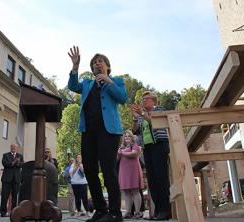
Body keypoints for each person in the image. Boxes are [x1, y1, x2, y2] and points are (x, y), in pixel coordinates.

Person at [68, 46, 128, 222]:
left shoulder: (116, 80)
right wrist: (75, 66)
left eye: (100, 61)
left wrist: (108, 81)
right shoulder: (87, 83)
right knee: (91, 171)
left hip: (108, 131)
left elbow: (123, 98)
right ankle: (101, 210)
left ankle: (115, 212)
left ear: (107, 66)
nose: (97, 64)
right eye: (94, 62)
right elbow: (72, 85)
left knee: (108, 170)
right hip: (88, 131)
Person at [131, 91, 170, 220]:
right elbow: (135, 131)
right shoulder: (142, 115)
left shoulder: (159, 109)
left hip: (159, 145)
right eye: (142, 100)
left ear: (154, 100)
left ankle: (165, 210)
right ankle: (158, 212)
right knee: (152, 181)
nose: (143, 101)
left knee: (161, 178)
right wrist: (135, 118)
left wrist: (142, 113)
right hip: (147, 148)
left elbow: (156, 122)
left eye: (146, 99)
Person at [117, 130, 144, 219]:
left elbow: (134, 154)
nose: (127, 137)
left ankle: (137, 212)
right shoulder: (121, 148)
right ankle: (128, 212)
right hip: (124, 171)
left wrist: (122, 153)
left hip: (133, 170)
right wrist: (118, 152)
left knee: (135, 191)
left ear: (132, 137)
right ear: (123, 138)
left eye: (129, 136)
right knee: (126, 192)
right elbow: (117, 159)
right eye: (125, 136)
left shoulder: (135, 146)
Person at [0, 144, 23, 217]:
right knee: (4, 196)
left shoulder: (20, 156)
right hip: (7, 179)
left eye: (15, 147)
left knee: (15, 196)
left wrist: (18, 163)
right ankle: (3, 212)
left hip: (16, 179)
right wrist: (13, 162)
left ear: (17, 148)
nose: (13, 148)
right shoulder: (5, 155)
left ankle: (13, 213)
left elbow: (22, 164)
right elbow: (5, 163)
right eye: (12, 147)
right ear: (10, 147)